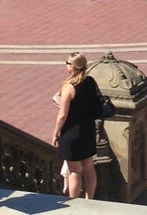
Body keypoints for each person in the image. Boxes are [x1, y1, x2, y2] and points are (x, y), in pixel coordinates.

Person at [52, 52, 99, 199]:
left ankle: (75, 204)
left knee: (74, 172)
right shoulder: (90, 81)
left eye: (67, 63)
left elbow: (62, 114)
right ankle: (90, 199)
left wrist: (55, 133)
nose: (66, 65)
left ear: (72, 66)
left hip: (72, 133)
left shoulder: (69, 87)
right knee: (89, 168)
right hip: (88, 130)